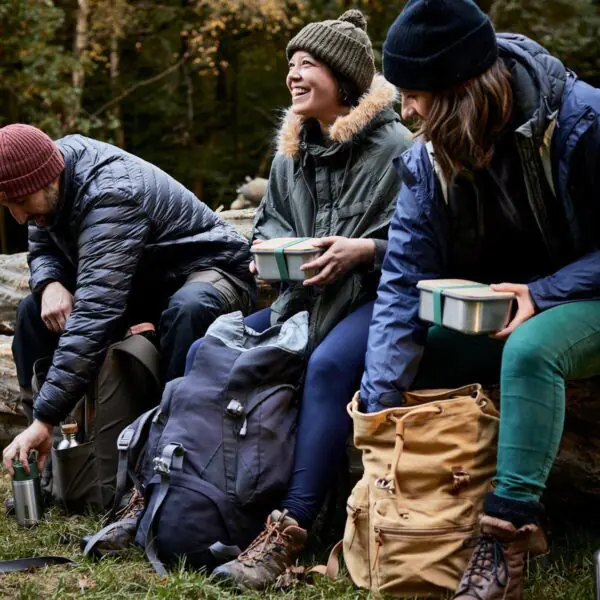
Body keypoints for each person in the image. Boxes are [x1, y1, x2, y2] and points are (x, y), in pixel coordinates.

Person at [361, 1, 600, 598]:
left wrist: (544, 294)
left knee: (531, 350)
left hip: (582, 297)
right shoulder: (427, 152)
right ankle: (417, 508)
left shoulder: (584, 122)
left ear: (463, 89)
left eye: (416, 94)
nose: (405, 110)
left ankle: (504, 540)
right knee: (425, 355)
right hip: (502, 308)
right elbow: (403, 280)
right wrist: (380, 407)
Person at [188, 9, 411, 589]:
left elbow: (423, 245)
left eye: (307, 63)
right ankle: (194, 494)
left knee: (328, 363)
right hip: (303, 298)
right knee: (213, 343)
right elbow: (268, 224)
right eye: (290, 64)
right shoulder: (290, 151)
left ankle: (291, 530)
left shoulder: (396, 147)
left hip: (378, 297)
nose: (293, 74)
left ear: (343, 77)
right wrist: (270, 250)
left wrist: (363, 250)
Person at [0, 125, 254, 477]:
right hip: (142, 279)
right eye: (8, 205)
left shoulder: (110, 193)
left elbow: (95, 312)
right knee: (32, 312)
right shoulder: (41, 177)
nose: (18, 216)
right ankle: (48, 463)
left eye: (22, 203)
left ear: (50, 179)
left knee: (188, 309)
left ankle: (169, 461)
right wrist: (50, 282)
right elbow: (44, 245)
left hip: (214, 272)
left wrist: (48, 414)